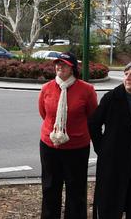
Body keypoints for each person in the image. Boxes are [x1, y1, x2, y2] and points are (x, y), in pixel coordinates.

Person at [88, 61, 131, 219]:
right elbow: (94, 123)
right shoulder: (111, 97)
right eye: (126, 74)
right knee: (110, 203)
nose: (127, 78)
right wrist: (102, 148)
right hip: (113, 161)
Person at [38, 52, 97, 219]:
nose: (59, 66)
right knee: (50, 187)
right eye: (57, 63)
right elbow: (44, 113)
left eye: (63, 64)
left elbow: (92, 116)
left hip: (77, 147)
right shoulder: (47, 88)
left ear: (72, 68)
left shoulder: (86, 90)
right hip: (50, 145)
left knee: (76, 189)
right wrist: (57, 131)